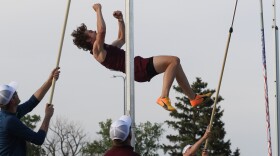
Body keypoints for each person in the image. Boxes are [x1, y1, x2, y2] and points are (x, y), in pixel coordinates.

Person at [71, 3, 213, 112]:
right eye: (90, 32)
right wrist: (98, 10)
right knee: (173, 61)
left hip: (138, 66)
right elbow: (102, 30)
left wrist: (120, 20)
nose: (93, 30)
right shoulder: (97, 51)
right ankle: (163, 97)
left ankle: (193, 98)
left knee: (176, 64)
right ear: (88, 41)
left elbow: (122, 38)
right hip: (138, 68)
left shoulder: (106, 48)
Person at [0, 67, 60, 156]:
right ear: (12, 100)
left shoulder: (6, 115)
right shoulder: (10, 121)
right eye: (15, 93)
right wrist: (47, 116)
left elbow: (31, 102)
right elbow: (39, 139)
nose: (17, 93)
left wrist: (50, 81)